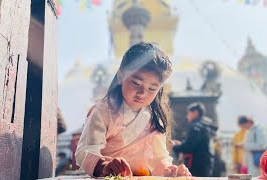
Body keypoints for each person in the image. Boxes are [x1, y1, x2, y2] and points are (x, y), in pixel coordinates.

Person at [75, 42, 191, 177]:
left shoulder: (154, 118)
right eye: (136, 83)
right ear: (120, 76)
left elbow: (159, 158)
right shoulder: (103, 112)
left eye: (152, 89)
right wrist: (105, 166)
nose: (142, 93)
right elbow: (86, 151)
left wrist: (170, 170)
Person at [172, 102, 218, 177]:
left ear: (195, 113)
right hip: (206, 163)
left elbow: (188, 147)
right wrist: (181, 144)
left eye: (189, 113)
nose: (187, 116)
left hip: (197, 164)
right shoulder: (205, 125)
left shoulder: (195, 127)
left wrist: (174, 146)